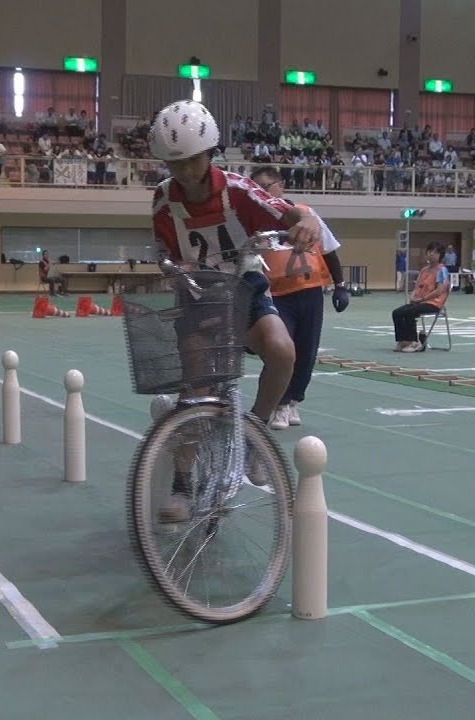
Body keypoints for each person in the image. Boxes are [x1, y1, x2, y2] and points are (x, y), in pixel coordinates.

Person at [146, 99, 328, 523]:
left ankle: (256, 433)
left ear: (209, 152)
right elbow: (165, 250)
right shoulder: (162, 202)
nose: (186, 172)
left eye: (193, 160)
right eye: (175, 164)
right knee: (195, 386)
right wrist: (171, 267)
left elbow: (293, 213)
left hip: (245, 287)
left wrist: (308, 224)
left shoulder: (239, 192)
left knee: (282, 351)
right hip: (198, 294)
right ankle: (182, 484)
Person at [248, 165, 351, 430]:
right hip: (277, 295)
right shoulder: (255, 222)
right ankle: (278, 405)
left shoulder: (307, 215)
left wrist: (340, 285)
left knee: (307, 352)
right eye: (255, 190)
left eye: (265, 188)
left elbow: (328, 249)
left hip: (310, 292)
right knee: (282, 350)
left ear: (280, 186)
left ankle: (293, 400)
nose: (260, 194)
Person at [391, 242, 450, 353]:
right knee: (397, 312)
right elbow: (417, 287)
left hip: (433, 303)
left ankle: (415, 342)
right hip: (419, 302)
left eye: (435, 252)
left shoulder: (442, 270)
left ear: (440, 255)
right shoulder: (424, 270)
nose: (432, 254)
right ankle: (404, 340)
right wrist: (413, 296)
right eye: (429, 251)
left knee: (410, 312)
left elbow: (439, 291)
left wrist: (422, 299)